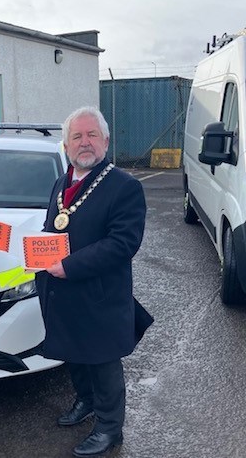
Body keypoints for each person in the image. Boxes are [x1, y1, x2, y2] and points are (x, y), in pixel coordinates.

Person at [35, 106, 153, 457]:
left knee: (103, 363)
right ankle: (84, 402)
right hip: (64, 292)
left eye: (91, 135)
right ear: (66, 144)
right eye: (77, 137)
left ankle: (109, 429)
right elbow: (52, 230)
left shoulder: (124, 186)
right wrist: (35, 253)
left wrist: (68, 266)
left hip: (101, 295)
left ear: (105, 140)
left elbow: (123, 244)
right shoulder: (63, 181)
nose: (84, 143)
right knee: (75, 355)